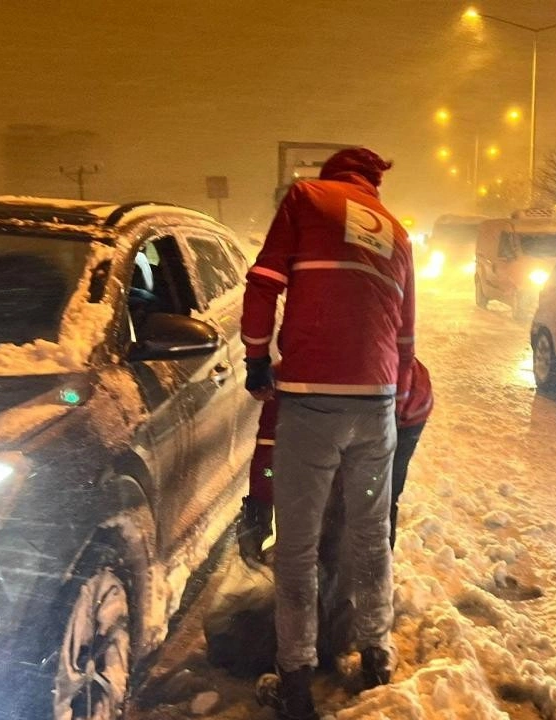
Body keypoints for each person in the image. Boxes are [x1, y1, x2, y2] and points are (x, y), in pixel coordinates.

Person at [240, 147, 414, 720]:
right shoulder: (397, 232)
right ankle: (376, 655)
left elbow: (264, 281)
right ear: (372, 185)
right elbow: (407, 337)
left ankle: (294, 680)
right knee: (368, 537)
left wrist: (257, 357)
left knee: (298, 545)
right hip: (378, 404)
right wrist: (392, 391)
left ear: (333, 174)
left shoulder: (306, 198)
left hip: (313, 400)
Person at [237, 357, 434, 561]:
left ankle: (370, 580)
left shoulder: (358, 379)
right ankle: (326, 568)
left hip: (405, 412)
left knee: (375, 496)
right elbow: (269, 449)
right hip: (362, 408)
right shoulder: (286, 381)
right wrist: (259, 507)